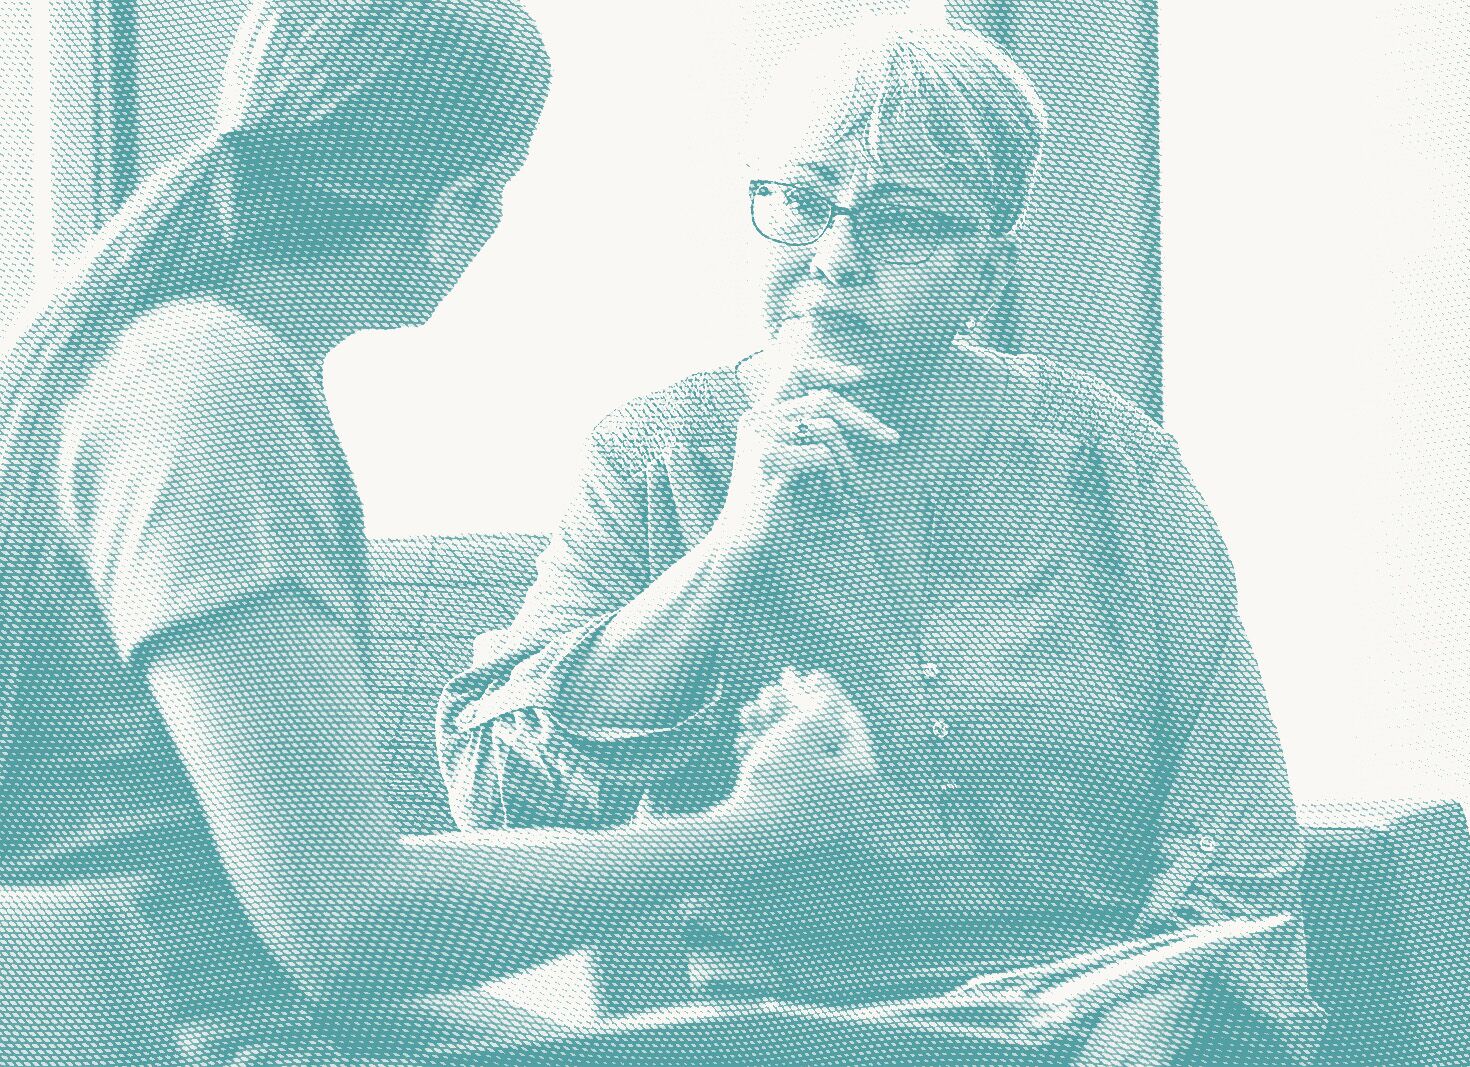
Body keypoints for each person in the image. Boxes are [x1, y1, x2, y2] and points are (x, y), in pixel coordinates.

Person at [0, 1, 881, 1064]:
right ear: (456, 205)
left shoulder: (159, 358)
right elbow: (350, 926)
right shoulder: (216, 394)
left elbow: (283, 910)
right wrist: (751, 828)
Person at [438, 19, 1324, 1067]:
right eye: (800, 201)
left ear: (988, 269)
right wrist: (727, 551)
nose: (834, 256)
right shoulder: (652, 458)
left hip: (1117, 1025)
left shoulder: (1113, 463)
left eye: (897, 219)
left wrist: (1128, 1044)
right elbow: (504, 797)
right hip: (798, 1039)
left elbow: (1236, 827)